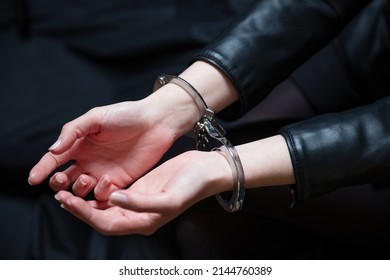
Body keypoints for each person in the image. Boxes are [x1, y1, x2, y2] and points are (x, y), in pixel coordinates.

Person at [29, 0, 390, 257]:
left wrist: (226, 167)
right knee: (158, 157)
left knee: (196, 196)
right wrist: (171, 107)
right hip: (362, 44)